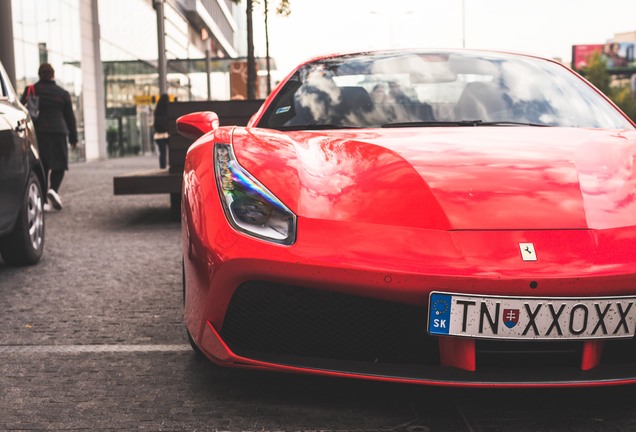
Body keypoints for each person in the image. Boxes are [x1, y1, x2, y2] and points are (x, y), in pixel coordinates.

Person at [22, 63, 78, 211]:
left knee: (43, 166)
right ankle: (53, 190)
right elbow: (70, 117)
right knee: (59, 164)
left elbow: (21, 109)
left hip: (39, 132)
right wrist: (73, 139)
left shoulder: (31, 90)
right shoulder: (62, 93)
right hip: (59, 131)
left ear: (39, 74)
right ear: (53, 75)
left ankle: (44, 201)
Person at [153, 94, 170, 169]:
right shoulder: (168, 109)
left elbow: (155, 124)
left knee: (162, 152)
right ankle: (170, 165)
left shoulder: (157, 110)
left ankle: (162, 166)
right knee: (170, 151)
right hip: (166, 133)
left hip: (158, 134)